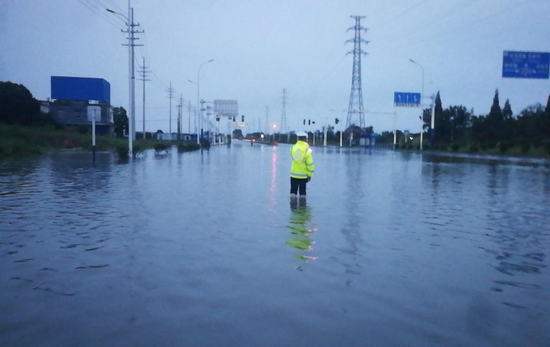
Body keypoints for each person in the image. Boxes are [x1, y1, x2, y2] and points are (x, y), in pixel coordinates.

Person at [290, 131, 314, 197]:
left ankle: (292, 206)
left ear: (297, 139)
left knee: (293, 193)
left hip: (293, 175)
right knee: (302, 194)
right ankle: (302, 206)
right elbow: (310, 165)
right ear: (305, 139)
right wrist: (309, 175)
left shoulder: (292, 148)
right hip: (303, 176)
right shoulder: (307, 150)